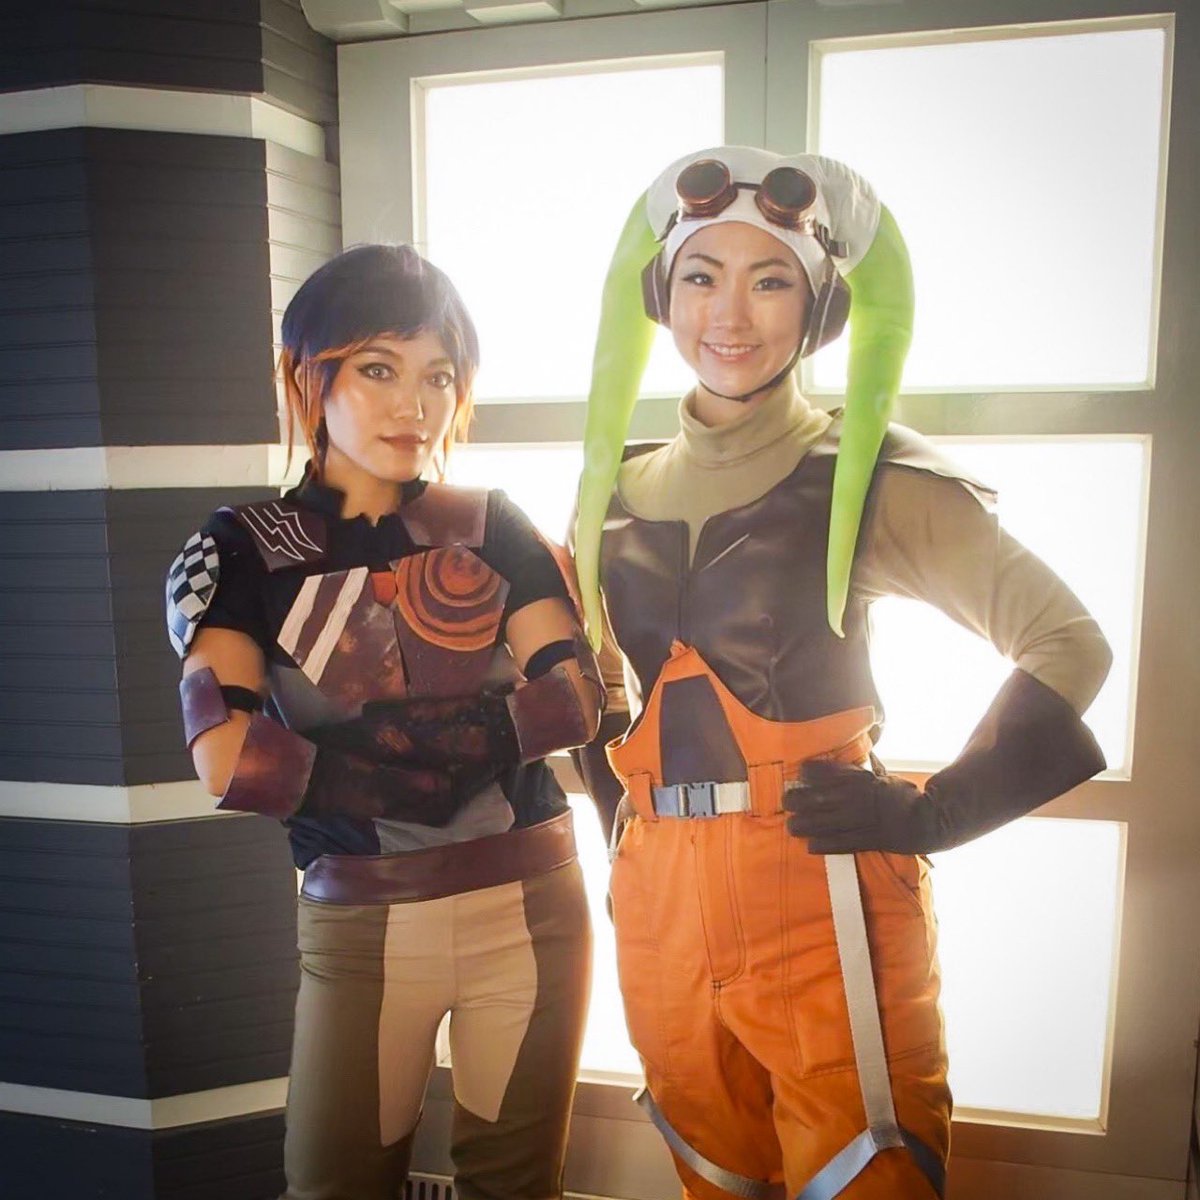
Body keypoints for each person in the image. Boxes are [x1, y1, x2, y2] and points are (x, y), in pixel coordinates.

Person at [570, 147, 1112, 1199]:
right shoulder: (614, 492)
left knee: (868, 1175)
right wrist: (629, 844)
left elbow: (1070, 642)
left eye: (770, 280)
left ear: (818, 306)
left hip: (822, 898)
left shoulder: (869, 480)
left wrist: (934, 812)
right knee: (712, 1176)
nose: (730, 314)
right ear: (661, 293)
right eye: (700, 276)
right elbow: (595, 698)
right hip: (661, 910)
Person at [165, 244, 603, 1200]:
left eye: (438, 376)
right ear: (306, 379)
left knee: (518, 1187)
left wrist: (346, 755)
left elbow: (575, 701)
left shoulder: (493, 523)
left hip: (530, 904)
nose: (415, 405)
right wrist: (478, 735)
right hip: (362, 920)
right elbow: (229, 762)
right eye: (378, 369)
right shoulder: (237, 549)